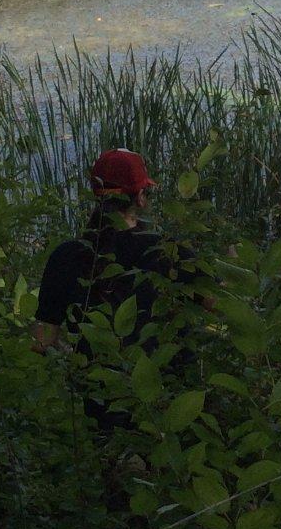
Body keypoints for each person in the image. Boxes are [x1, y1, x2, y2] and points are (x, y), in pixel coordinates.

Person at [32, 149, 206, 427]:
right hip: (169, 408)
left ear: (95, 194)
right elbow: (215, 305)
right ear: (140, 198)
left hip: (102, 410)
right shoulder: (169, 252)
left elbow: (42, 342)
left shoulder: (66, 256)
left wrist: (82, 363)